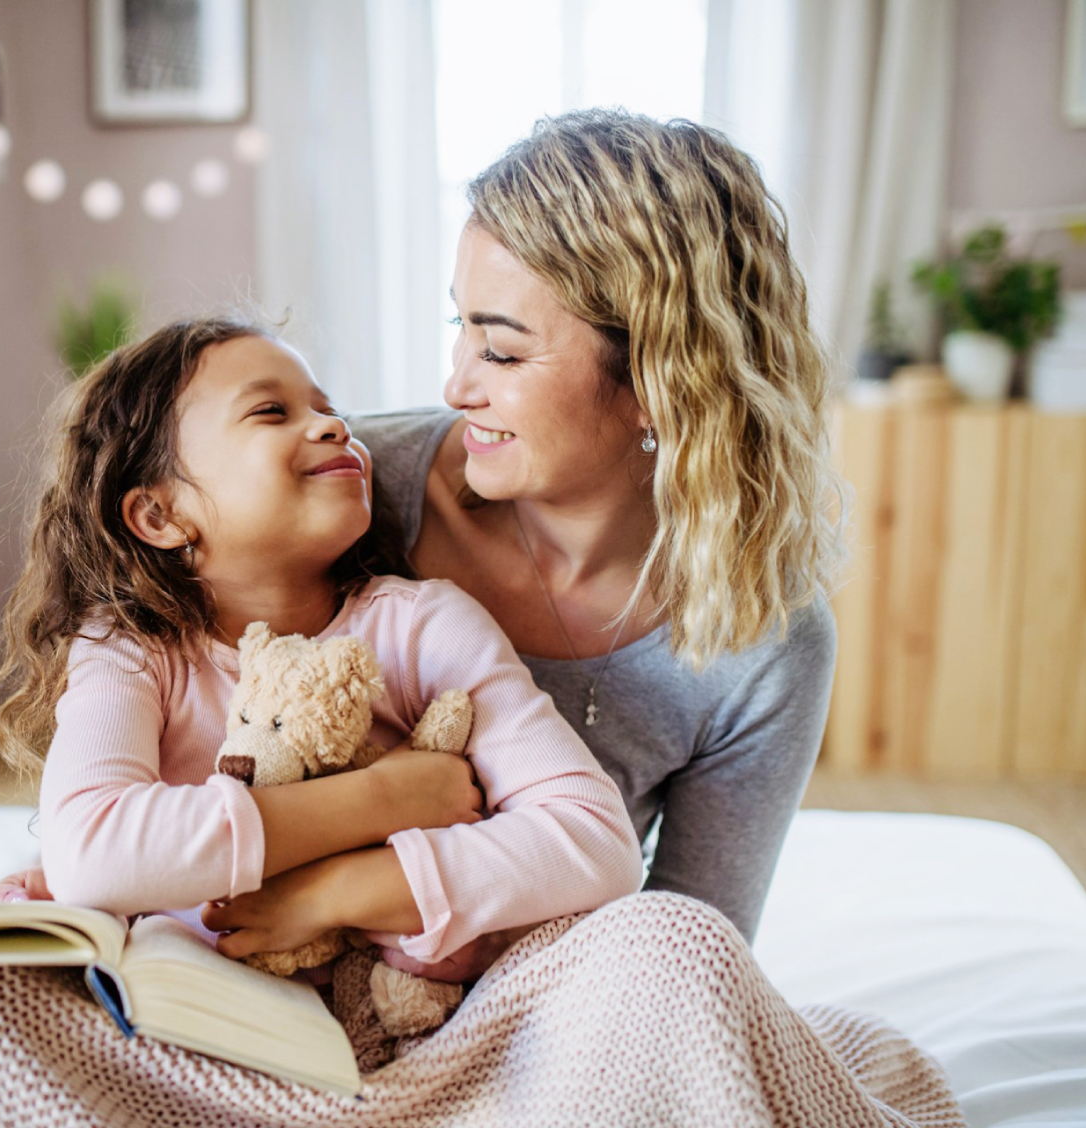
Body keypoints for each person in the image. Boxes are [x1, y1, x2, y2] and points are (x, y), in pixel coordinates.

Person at [0, 317, 642, 975]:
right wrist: (383, 800)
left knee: (676, 937)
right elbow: (91, 855)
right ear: (160, 515)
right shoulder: (130, 650)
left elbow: (596, 841)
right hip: (192, 1025)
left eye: (329, 410)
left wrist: (330, 895)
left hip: (402, 1027)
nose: (333, 427)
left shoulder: (425, 627)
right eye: (271, 411)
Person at [352, 106, 843, 984]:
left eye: (500, 352)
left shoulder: (760, 640)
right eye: (459, 328)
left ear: (662, 380)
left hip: (549, 1012)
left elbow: (692, 956)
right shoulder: (356, 494)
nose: (455, 384)